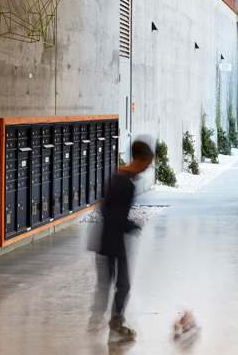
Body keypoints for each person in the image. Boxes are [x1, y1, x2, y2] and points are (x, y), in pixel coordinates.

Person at [92, 140, 152, 342]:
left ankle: (99, 320)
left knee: (106, 284)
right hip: (114, 241)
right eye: (147, 164)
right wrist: (132, 226)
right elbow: (114, 214)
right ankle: (115, 325)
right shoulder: (126, 183)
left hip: (106, 239)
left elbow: (106, 209)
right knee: (123, 284)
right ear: (139, 159)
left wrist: (128, 225)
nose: (146, 168)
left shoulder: (117, 176)